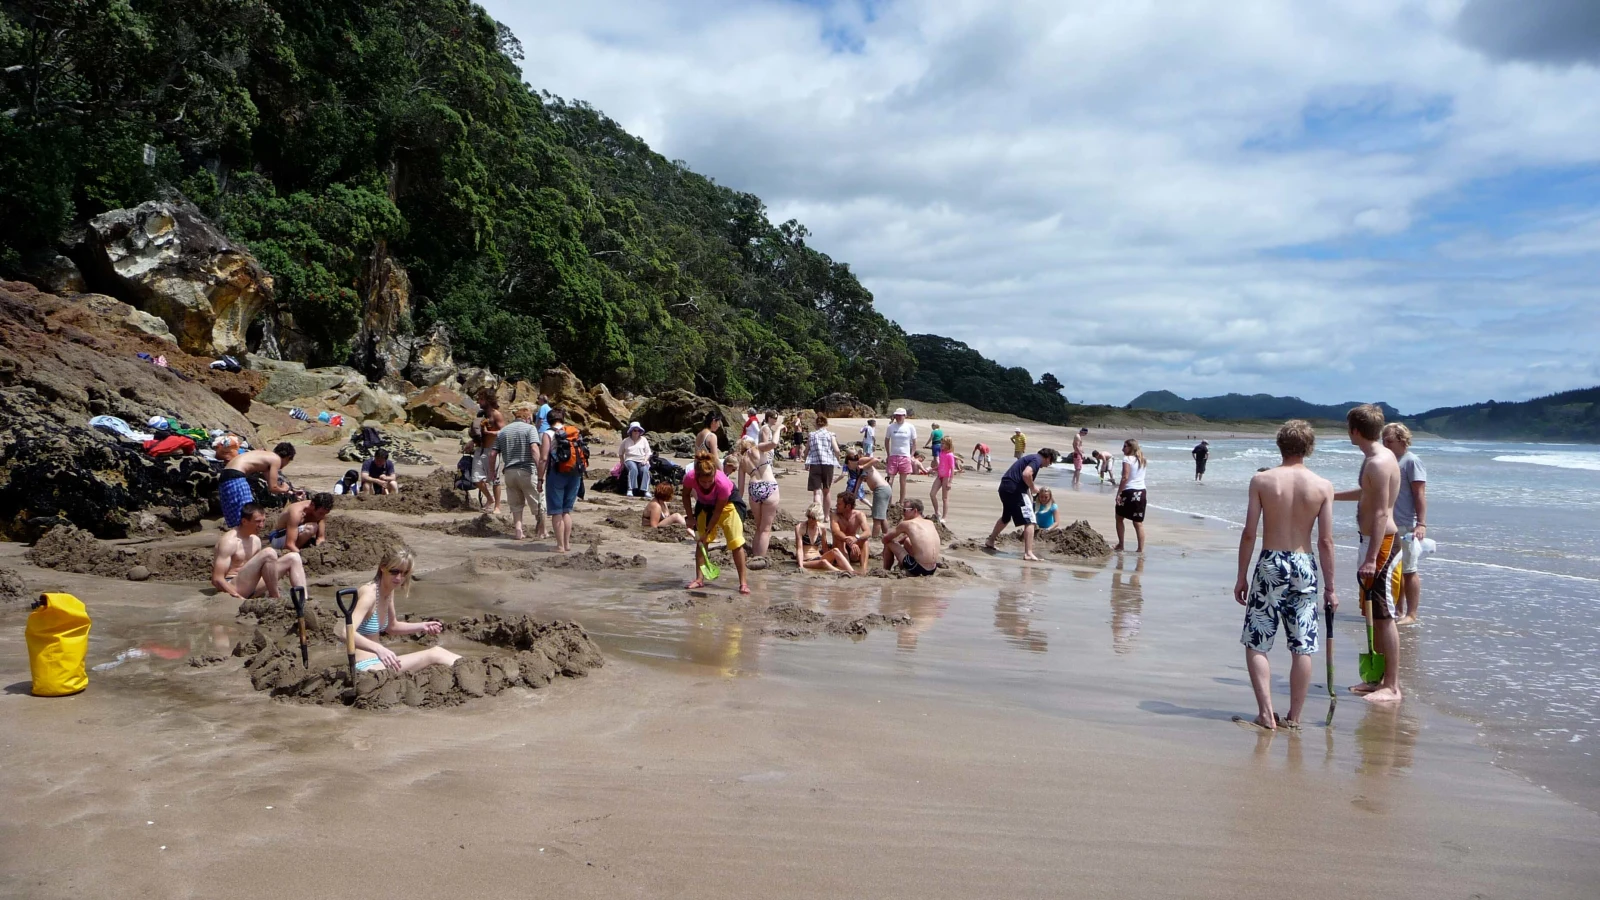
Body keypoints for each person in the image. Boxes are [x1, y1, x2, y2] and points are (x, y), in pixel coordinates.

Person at [1233, 420, 1338, 732]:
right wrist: (1331, 587)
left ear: (1279, 445)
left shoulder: (1262, 480)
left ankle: (1266, 713)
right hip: (1304, 564)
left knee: (1257, 641)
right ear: (1309, 448)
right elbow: (1326, 541)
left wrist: (1241, 576)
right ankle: (1294, 716)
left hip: (1271, 563)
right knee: (1302, 645)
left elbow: (1250, 533)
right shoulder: (1322, 486)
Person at [1335, 404, 1403, 703]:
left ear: (1355, 431)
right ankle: (1376, 680)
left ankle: (1392, 686)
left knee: (1384, 614)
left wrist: (1372, 558)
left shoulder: (1377, 462)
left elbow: (1379, 513)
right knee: (1373, 613)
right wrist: (1330, 495)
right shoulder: (1374, 459)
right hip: (1372, 541)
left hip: (1382, 544)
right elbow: (1366, 494)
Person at [341, 547, 461, 674]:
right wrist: (379, 649)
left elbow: (392, 627)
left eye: (404, 573)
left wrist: (422, 626)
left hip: (379, 662)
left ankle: (472, 668)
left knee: (437, 657)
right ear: (382, 567)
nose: (399, 578)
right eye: (394, 571)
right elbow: (344, 632)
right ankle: (471, 669)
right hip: (364, 667)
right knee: (434, 653)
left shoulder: (387, 591)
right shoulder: (369, 595)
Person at [1382, 423, 1429, 626]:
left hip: (1407, 524)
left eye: (1389, 441)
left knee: (1409, 570)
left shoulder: (1411, 461)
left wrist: (1421, 523)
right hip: (1390, 524)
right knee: (1394, 571)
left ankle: (1412, 613)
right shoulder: (1387, 461)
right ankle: (1398, 609)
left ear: (1402, 440)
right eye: (1383, 440)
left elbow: (1419, 494)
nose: (1385, 444)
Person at [683, 451, 750, 593]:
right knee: (701, 543)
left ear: (714, 475)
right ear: (697, 477)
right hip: (704, 505)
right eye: (703, 482)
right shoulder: (690, 477)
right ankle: (699, 579)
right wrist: (690, 517)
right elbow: (685, 495)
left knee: (736, 542)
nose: (706, 485)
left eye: (709, 481)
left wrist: (706, 532)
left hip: (728, 505)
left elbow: (718, 512)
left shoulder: (723, 484)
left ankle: (743, 583)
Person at [210, 503, 307, 600]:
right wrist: (237, 596)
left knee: (294, 557)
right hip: (233, 586)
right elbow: (217, 579)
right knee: (269, 552)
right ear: (244, 521)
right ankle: (275, 597)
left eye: (263, 521)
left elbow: (262, 569)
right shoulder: (230, 541)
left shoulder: (255, 540)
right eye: (257, 521)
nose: (262, 525)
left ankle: (303, 599)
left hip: (252, 586)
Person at [985, 447, 1059, 561]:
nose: (1048, 465)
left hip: (1005, 487)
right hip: (1015, 489)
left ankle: (990, 541)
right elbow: (1026, 474)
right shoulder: (1037, 460)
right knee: (1030, 521)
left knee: (1006, 517)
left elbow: (1025, 483)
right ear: (1048, 458)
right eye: (1050, 462)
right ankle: (1028, 553)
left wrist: (1030, 498)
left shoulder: (1031, 458)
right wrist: (1033, 487)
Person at [491, 403, 543, 540]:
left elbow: (493, 454)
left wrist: (492, 473)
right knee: (537, 503)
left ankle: (518, 531)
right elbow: (534, 449)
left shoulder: (503, 431)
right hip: (526, 471)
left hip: (509, 472)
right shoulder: (530, 429)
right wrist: (540, 470)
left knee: (516, 505)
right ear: (527, 418)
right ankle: (541, 531)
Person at [219, 443, 297, 528]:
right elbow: (273, 488)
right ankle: (244, 538)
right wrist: (284, 489)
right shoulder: (276, 459)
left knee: (237, 516)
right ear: (288, 457)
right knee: (248, 514)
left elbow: (273, 482)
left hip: (225, 477)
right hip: (236, 477)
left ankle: (239, 538)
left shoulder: (265, 456)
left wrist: (290, 490)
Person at [540, 407, 586, 553]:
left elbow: (543, 458)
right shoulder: (574, 432)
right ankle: (567, 544)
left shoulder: (548, 434)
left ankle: (559, 546)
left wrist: (540, 479)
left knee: (556, 511)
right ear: (562, 419)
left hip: (557, 474)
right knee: (567, 511)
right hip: (575, 472)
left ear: (549, 421)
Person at [736, 434, 782, 559]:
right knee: (765, 529)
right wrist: (779, 428)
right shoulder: (758, 448)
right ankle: (760, 558)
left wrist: (736, 505)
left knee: (759, 527)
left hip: (754, 488)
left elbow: (740, 490)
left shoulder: (742, 461)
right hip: (769, 486)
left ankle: (754, 554)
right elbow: (774, 443)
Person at [883, 498, 941, 577]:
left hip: (918, 568)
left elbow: (886, 539)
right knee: (907, 541)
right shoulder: (930, 523)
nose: (902, 513)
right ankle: (901, 568)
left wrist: (893, 543)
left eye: (905, 510)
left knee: (888, 543)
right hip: (932, 569)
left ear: (915, 511)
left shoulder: (907, 524)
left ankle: (885, 571)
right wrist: (900, 543)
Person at [846, 449, 893, 544]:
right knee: (882, 516)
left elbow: (875, 460)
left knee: (877, 518)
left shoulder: (861, 461)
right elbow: (858, 484)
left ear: (850, 462)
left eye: (848, 465)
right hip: (882, 489)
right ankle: (887, 536)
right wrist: (852, 497)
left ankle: (874, 539)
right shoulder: (858, 471)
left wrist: (864, 466)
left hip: (881, 489)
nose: (848, 468)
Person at [796, 502, 855, 575]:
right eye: (809, 517)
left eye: (813, 518)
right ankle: (842, 573)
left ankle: (852, 572)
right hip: (806, 561)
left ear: (818, 519)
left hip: (818, 557)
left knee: (835, 550)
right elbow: (799, 548)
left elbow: (825, 548)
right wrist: (801, 566)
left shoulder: (822, 528)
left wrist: (830, 559)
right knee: (823, 562)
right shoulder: (800, 528)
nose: (810, 520)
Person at [806, 414, 843, 524]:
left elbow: (806, 450)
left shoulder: (812, 435)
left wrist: (805, 460)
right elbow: (836, 450)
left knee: (817, 492)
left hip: (815, 464)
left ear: (816, 424)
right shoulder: (830, 435)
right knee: (826, 490)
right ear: (826, 424)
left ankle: (817, 516)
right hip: (828, 464)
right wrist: (837, 458)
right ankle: (826, 516)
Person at [473, 389, 505, 514]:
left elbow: (503, 432)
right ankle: (489, 499)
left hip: (492, 450)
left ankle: (497, 506)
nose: (478, 402)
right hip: (479, 449)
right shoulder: (481, 414)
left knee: (495, 479)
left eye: (481, 399)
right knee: (476, 478)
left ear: (487, 400)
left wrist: (489, 432)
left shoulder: (496, 414)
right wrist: (472, 441)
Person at [1114, 439, 1148, 553]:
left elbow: (1125, 477)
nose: (1122, 449)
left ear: (1131, 448)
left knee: (1119, 517)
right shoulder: (1142, 460)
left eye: (1125, 446)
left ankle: (1121, 544)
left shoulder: (1127, 459)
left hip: (1129, 491)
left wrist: (1119, 493)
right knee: (1138, 522)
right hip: (1141, 492)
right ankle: (1140, 549)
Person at [884, 408, 918, 502]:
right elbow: (887, 441)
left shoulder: (910, 427)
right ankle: (888, 502)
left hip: (905, 456)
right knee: (889, 481)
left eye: (900, 415)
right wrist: (888, 454)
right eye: (897, 415)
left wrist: (911, 455)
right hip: (893, 456)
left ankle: (901, 502)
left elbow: (914, 442)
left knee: (902, 482)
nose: (898, 417)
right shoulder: (891, 427)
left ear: (905, 416)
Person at [831, 492, 872, 567]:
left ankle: (863, 568)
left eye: (839, 504)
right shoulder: (835, 515)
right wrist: (849, 541)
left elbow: (868, 532)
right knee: (839, 539)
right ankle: (846, 567)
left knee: (865, 541)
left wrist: (856, 538)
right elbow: (836, 532)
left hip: (854, 549)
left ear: (848, 506)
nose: (836, 506)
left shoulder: (859, 515)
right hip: (841, 547)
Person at [930, 435, 961, 521]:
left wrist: (950, 482)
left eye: (943, 444)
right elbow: (941, 465)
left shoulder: (950, 455)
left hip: (946, 477)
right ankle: (937, 512)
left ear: (948, 445)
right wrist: (934, 469)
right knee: (932, 494)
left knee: (944, 498)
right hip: (939, 476)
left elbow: (951, 469)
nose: (941, 445)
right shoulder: (941, 453)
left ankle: (944, 517)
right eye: (941, 443)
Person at [619, 423, 652, 498]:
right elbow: (621, 453)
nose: (637, 432)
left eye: (638, 430)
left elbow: (648, 453)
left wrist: (645, 460)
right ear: (631, 431)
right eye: (635, 430)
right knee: (633, 469)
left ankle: (645, 490)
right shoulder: (626, 441)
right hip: (630, 459)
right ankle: (631, 489)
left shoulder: (644, 440)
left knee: (645, 470)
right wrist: (622, 462)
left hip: (642, 459)